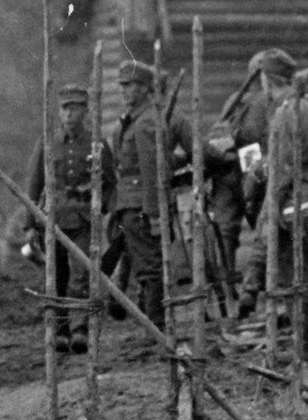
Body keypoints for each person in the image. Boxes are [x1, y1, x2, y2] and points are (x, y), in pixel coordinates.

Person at [240, 49, 308, 358]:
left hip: (293, 203)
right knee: (298, 273)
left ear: (267, 79)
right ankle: (307, 347)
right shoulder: (304, 107)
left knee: (296, 276)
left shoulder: (286, 112)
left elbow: (286, 167)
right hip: (306, 196)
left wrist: (274, 205)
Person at [24, 84, 115, 352]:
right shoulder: (48, 142)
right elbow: (34, 184)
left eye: (76, 108)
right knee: (57, 276)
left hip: (85, 221)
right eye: (65, 108)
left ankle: (80, 329)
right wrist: (30, 225)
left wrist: (102, 210)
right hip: (53, 221)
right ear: (59, 112)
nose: (70, 114)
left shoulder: (96, 143)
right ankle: (61, 330)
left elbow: (110, 183)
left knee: (82, 276)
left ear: (85, 111)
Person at [109, 60, 194, 329]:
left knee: (151, 267)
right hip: (128, 204)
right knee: (140, 262)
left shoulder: (146, 123)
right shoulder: (133, 120)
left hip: (141, 207)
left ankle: (156, 326)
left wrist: (154, 212)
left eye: (130, 86)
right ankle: (147, 319)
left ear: (146, 89)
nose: (123, 91)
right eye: (121, 86)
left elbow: (152, 172)